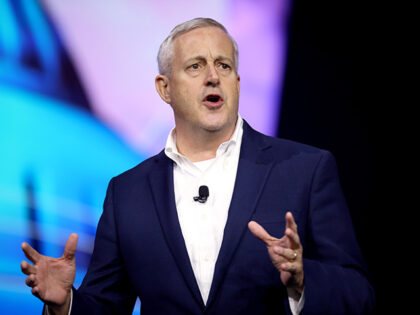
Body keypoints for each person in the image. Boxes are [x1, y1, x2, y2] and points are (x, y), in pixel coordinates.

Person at [20, 18, 375, 314]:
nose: (213, 76)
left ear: (237, 82)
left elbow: (359, 295)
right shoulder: (127, 192)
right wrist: (64, 302)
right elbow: (106, 306)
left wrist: (302, 279)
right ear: (165, 88)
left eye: (224, 65)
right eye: (195, 66)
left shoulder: (304, 170)